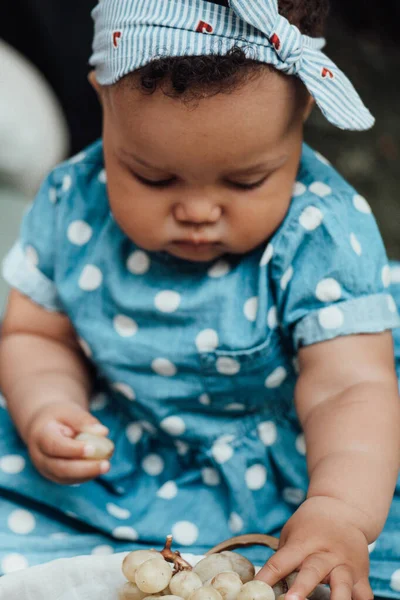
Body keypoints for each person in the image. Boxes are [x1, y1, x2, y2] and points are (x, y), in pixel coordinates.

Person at [0, 0, 399, 598]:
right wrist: (48, 404)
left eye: (246, 181)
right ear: (102, 100)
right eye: (153, 178)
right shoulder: (71, 203)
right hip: (121, 449)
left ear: (302, 113)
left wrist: (341, 508)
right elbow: (36, 333)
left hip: (296, 465)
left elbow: (349, 387)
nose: (197, 211)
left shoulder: (320, 233)